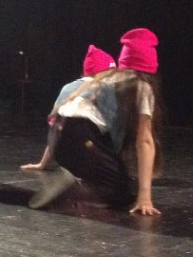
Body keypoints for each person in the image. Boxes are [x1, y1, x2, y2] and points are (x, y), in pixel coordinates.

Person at [28, 28, 164, 216]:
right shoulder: (141, 86)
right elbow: (145, 141)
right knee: (124, 193)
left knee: (119, 182)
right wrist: (145, 196)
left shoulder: (104, 77)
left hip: (59, 139)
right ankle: (74, 192)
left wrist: (44, 163)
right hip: (82, 135)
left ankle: (80, 185)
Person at [20, 44, 116, 172]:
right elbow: (114, 128)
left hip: (63, 156)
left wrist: (42, 164)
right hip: (90, 155)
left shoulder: (67, 88)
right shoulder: (105, 88)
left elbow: (55, 129)